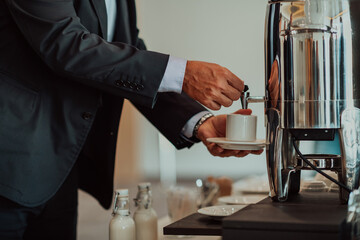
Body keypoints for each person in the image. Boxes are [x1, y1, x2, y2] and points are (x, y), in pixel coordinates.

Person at [0, 0, 261, 239]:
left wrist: (200, 122)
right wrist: (182, 74)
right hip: (10, 158)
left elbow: (128, 56)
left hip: (60, 162)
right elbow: (67, 44)